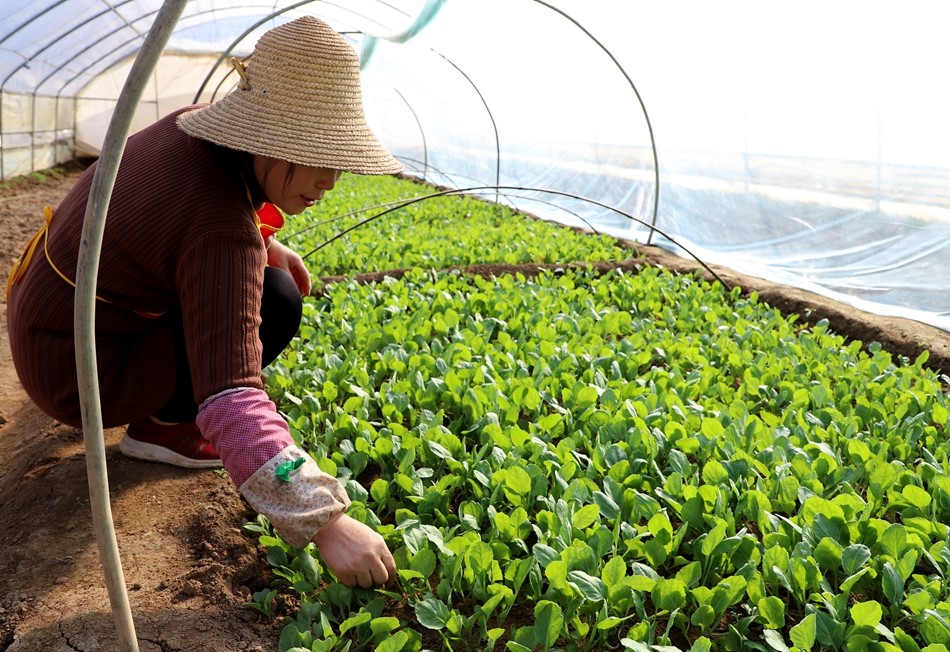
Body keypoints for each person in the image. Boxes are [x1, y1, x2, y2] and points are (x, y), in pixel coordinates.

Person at [5, 16, 400, 589]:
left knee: (275, 285)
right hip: (77, 369)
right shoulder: (220, 232)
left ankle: (161, 411)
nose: (331, 180)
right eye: (317, 156)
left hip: (52, 320)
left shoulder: (187, 131)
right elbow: (231, 395)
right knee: (277, 305)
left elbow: (168, 222)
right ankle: (163, 428)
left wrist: (267, 239)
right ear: (268, 141)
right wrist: (327, 524)